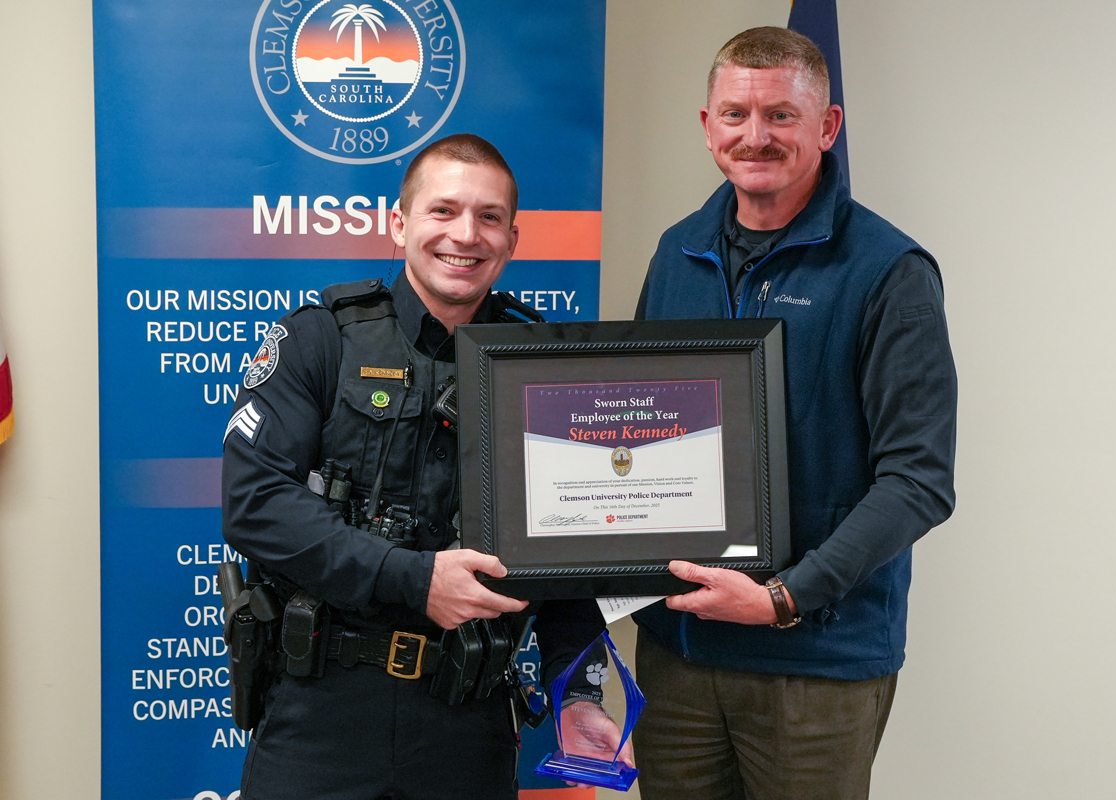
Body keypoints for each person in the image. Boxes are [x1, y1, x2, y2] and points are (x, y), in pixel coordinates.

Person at [222, 133, 618, 800]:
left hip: (466, 725)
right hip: (321, 718)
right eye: (443, 211)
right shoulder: (321, 338)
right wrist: (413, 578)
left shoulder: (545, 368)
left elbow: (568, 557)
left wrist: (579, 692)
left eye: (489, 217)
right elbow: (256, 504)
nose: (466, 234)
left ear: (513, 239)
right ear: (400, 223)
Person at [632, 27, 957, 800]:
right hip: (679, 656)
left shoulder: (889, 272)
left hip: (816, 663)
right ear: (708, 126)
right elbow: (638, 427)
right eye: (737, 114)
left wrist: (785, 598)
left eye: (781, 115)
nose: (756, 135)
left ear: (827, 126)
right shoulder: (676, 253)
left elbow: (920, 481)